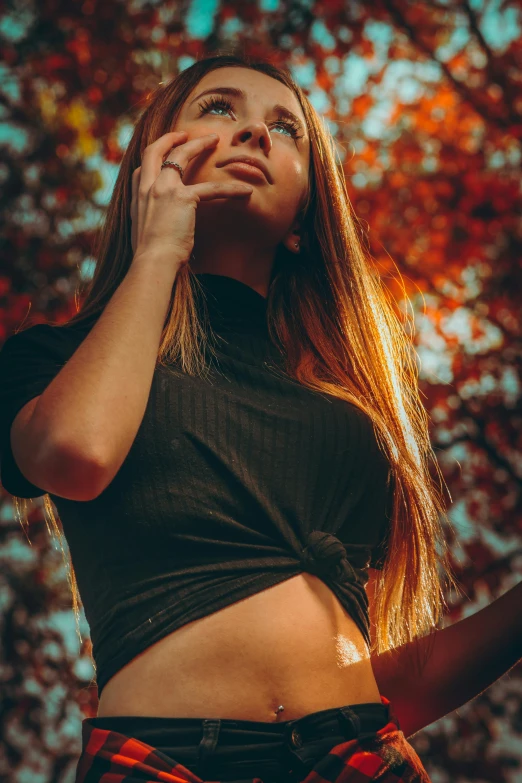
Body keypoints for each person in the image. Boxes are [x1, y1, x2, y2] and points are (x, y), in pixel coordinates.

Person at [0, 53, 459, 782]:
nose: (255, 134)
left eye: (286, 128)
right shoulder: (54, 359)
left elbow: (380, 674)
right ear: (156, 159)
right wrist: (159, 247)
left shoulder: (349, 411)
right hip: (159, 759)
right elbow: (75, 453)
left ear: (307, 214)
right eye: (220, 108)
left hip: (357, 756)